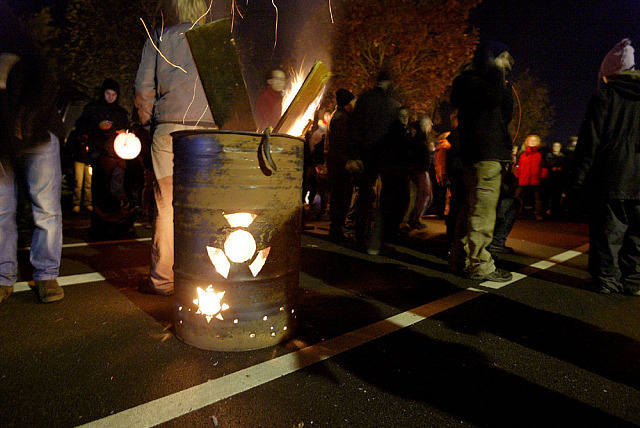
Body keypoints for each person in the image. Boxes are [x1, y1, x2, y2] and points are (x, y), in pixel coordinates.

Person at [134, 0, 216, 296]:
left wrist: (148, 123)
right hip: (207, 135)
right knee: (204, 207)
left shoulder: (158, 37)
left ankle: (163, 280)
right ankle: (204, 277)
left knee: (166, 207)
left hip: (169, 130)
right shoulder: (215, 37)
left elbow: (143, 90)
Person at [0, 3, 65, 303]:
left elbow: (45, 91)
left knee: (46, 210)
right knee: (0, 212)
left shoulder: (27, 55)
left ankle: (47, 274)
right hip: (2, 144)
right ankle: (3, 276)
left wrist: (22, 125)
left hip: (37, 136)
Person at [569, 38, 640, 296]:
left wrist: (577, 181)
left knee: (608, 234)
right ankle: (634, 281)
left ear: (609, 73)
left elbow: (590, 143)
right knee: (637, 235)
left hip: (612, 178)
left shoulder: (605, 97)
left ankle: (607, 280)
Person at [449, 41, 515, 282]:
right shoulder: (486, 83)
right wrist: (496, 72)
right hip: (486, 155)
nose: (509, 64)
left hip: (472, 154)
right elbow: (502, 109)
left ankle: (459, 258)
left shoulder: (465, 82)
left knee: (469, 208)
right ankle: (480, 264)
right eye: (505, 57)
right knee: (482, 212)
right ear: (492, 58)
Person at [350, 70, 399, 255]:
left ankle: (359, 236)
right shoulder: (392, 104)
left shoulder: (364, 100)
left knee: (364, 195)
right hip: (386, 157)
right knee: (385, 200)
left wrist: (355, 154)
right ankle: (376, 241)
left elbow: (355, 128)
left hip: (366, 154)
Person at [75, 78, 131, 237]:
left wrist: (124, 132)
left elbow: (127, 129)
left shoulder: (120, 112)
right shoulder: (93, 109)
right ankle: (99, 226)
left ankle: (116, 223)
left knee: (116, 190)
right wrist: (97, 126)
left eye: (114, 94)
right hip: (99, 156)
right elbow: (81, 127)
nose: (111, 97)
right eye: (108, 94)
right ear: (103, 93)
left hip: (118, 157)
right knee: (99, 190)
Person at [325, 88, 356, 242]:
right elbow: (340, 144)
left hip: (336, 164)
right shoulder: (341, 119)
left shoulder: (337, 116)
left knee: (339, 198)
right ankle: (336, 232)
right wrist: (346, 162)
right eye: (352, 101)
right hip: (340, 166)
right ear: (346, 103)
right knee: (341, 198)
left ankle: (336, 230)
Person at [514, 134, 547, 221]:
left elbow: (543, 167)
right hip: (523, 178)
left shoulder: (541, 154)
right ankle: (514, 213)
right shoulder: (522, 154)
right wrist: (517, 176)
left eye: (535, 140)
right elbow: (520, 166)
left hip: (536, 179)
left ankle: (539, 214)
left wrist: (542, 178)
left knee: (538, 198)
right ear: (527, 142)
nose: (532, 142)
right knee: (517, 196)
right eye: (530, 140)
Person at [543, 141, 566, 219]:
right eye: (555, 146)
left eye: (558, 146)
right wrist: (552, 168)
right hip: (550, 178)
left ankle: (555, 211)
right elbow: (547, 165)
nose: (556, 148)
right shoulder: (549, 156)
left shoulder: (562, 156)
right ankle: (547, 210)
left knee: (557, 195)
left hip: (559, 179)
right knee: (548, 195)